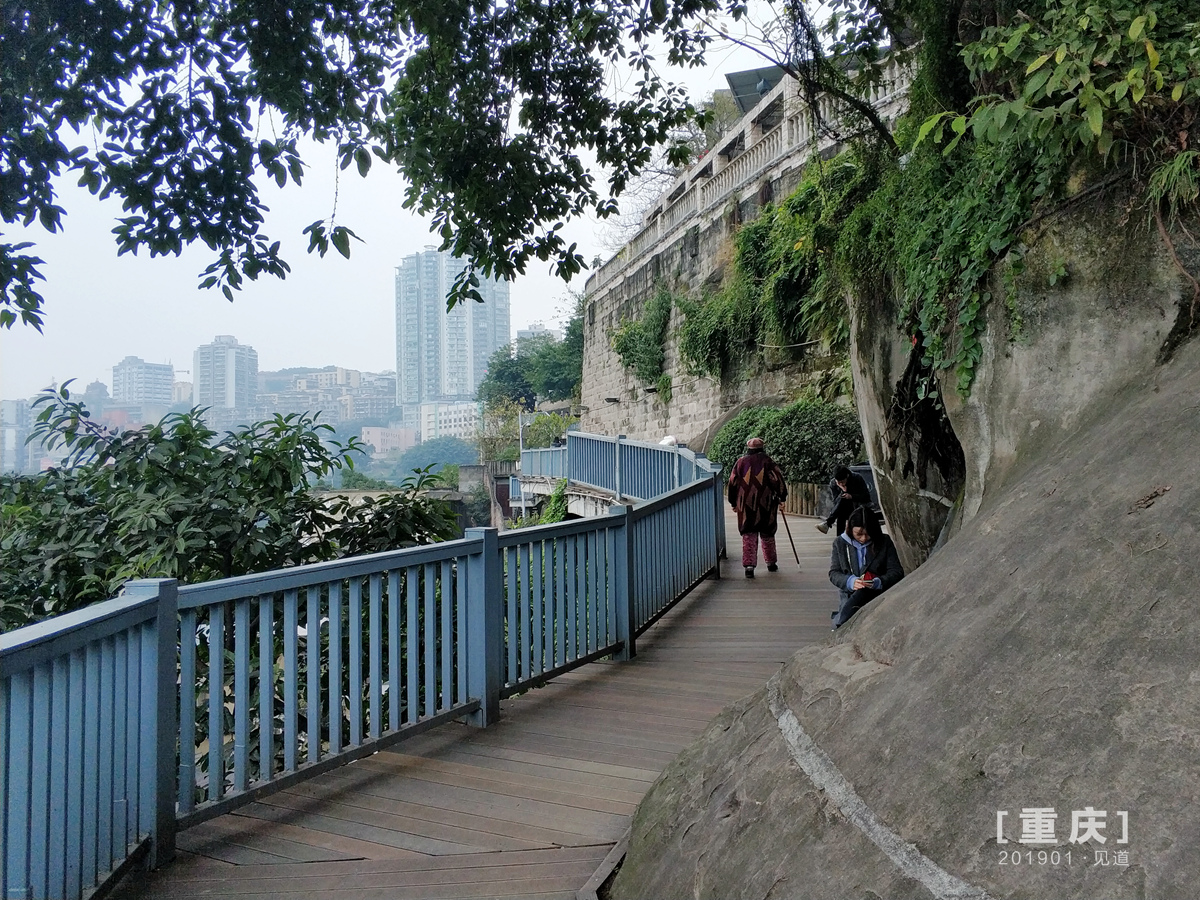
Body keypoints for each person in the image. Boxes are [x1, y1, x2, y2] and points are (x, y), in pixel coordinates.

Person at [828, 506, 903, 629]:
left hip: (877, 593)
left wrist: (878, 582)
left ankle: (841, 621)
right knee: (858, 595)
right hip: (850, 594)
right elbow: (834, 573)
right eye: (859, 534)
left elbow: (896, 571)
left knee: (864, 592)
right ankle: (843, 620)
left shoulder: (884, 541)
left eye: (868, 535)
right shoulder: (840, 543)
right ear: (850, 529)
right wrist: (850, 581)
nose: (863, 538)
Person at [727, 437, 788, 578]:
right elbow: (777, 480)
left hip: (745, 504)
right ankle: (771, 562)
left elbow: (732, 482)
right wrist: (782, 497)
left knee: (748, 533)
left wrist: (733, 502)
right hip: (766, 503)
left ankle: (749, 566)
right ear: (762, 448)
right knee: (768, 533)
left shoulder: (740, 462)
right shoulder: (768, 461)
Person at [815, 464, 872, 535]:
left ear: (847, 476)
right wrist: (843, 490)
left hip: (858, 506)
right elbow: (836, 501)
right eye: (838, 482)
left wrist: (851, 496)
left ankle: (828, 523)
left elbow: (866, 497)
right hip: (843, 509)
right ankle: (839, 538)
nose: (840, 483)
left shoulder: (857, 478)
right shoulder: (833, 483)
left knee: (842, 506)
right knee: (841, 505)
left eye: (842, 481)